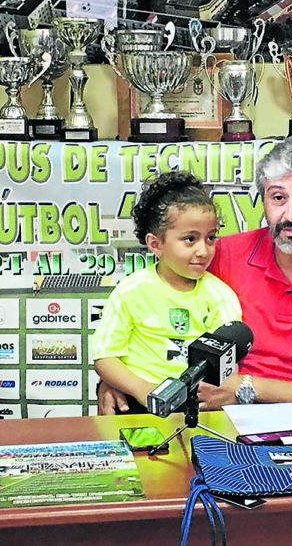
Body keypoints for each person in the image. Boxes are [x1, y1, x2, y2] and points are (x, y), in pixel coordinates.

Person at [98, 134, 292, 414]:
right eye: (278, 198)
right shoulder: (219, 254)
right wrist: (117, 382)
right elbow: (156, 311)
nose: (291, 215)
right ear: (263, 202)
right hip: (221, 420)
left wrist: (246, 388)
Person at [92, 171, 242, 414]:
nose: (203, 251)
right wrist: (142, 390)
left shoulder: (221, 297)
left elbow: (227, 367)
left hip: (197, 408)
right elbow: (105, 357)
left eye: (210, 238)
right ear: (155, 244)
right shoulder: (131, 290)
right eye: (190, 239)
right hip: (137, 402)